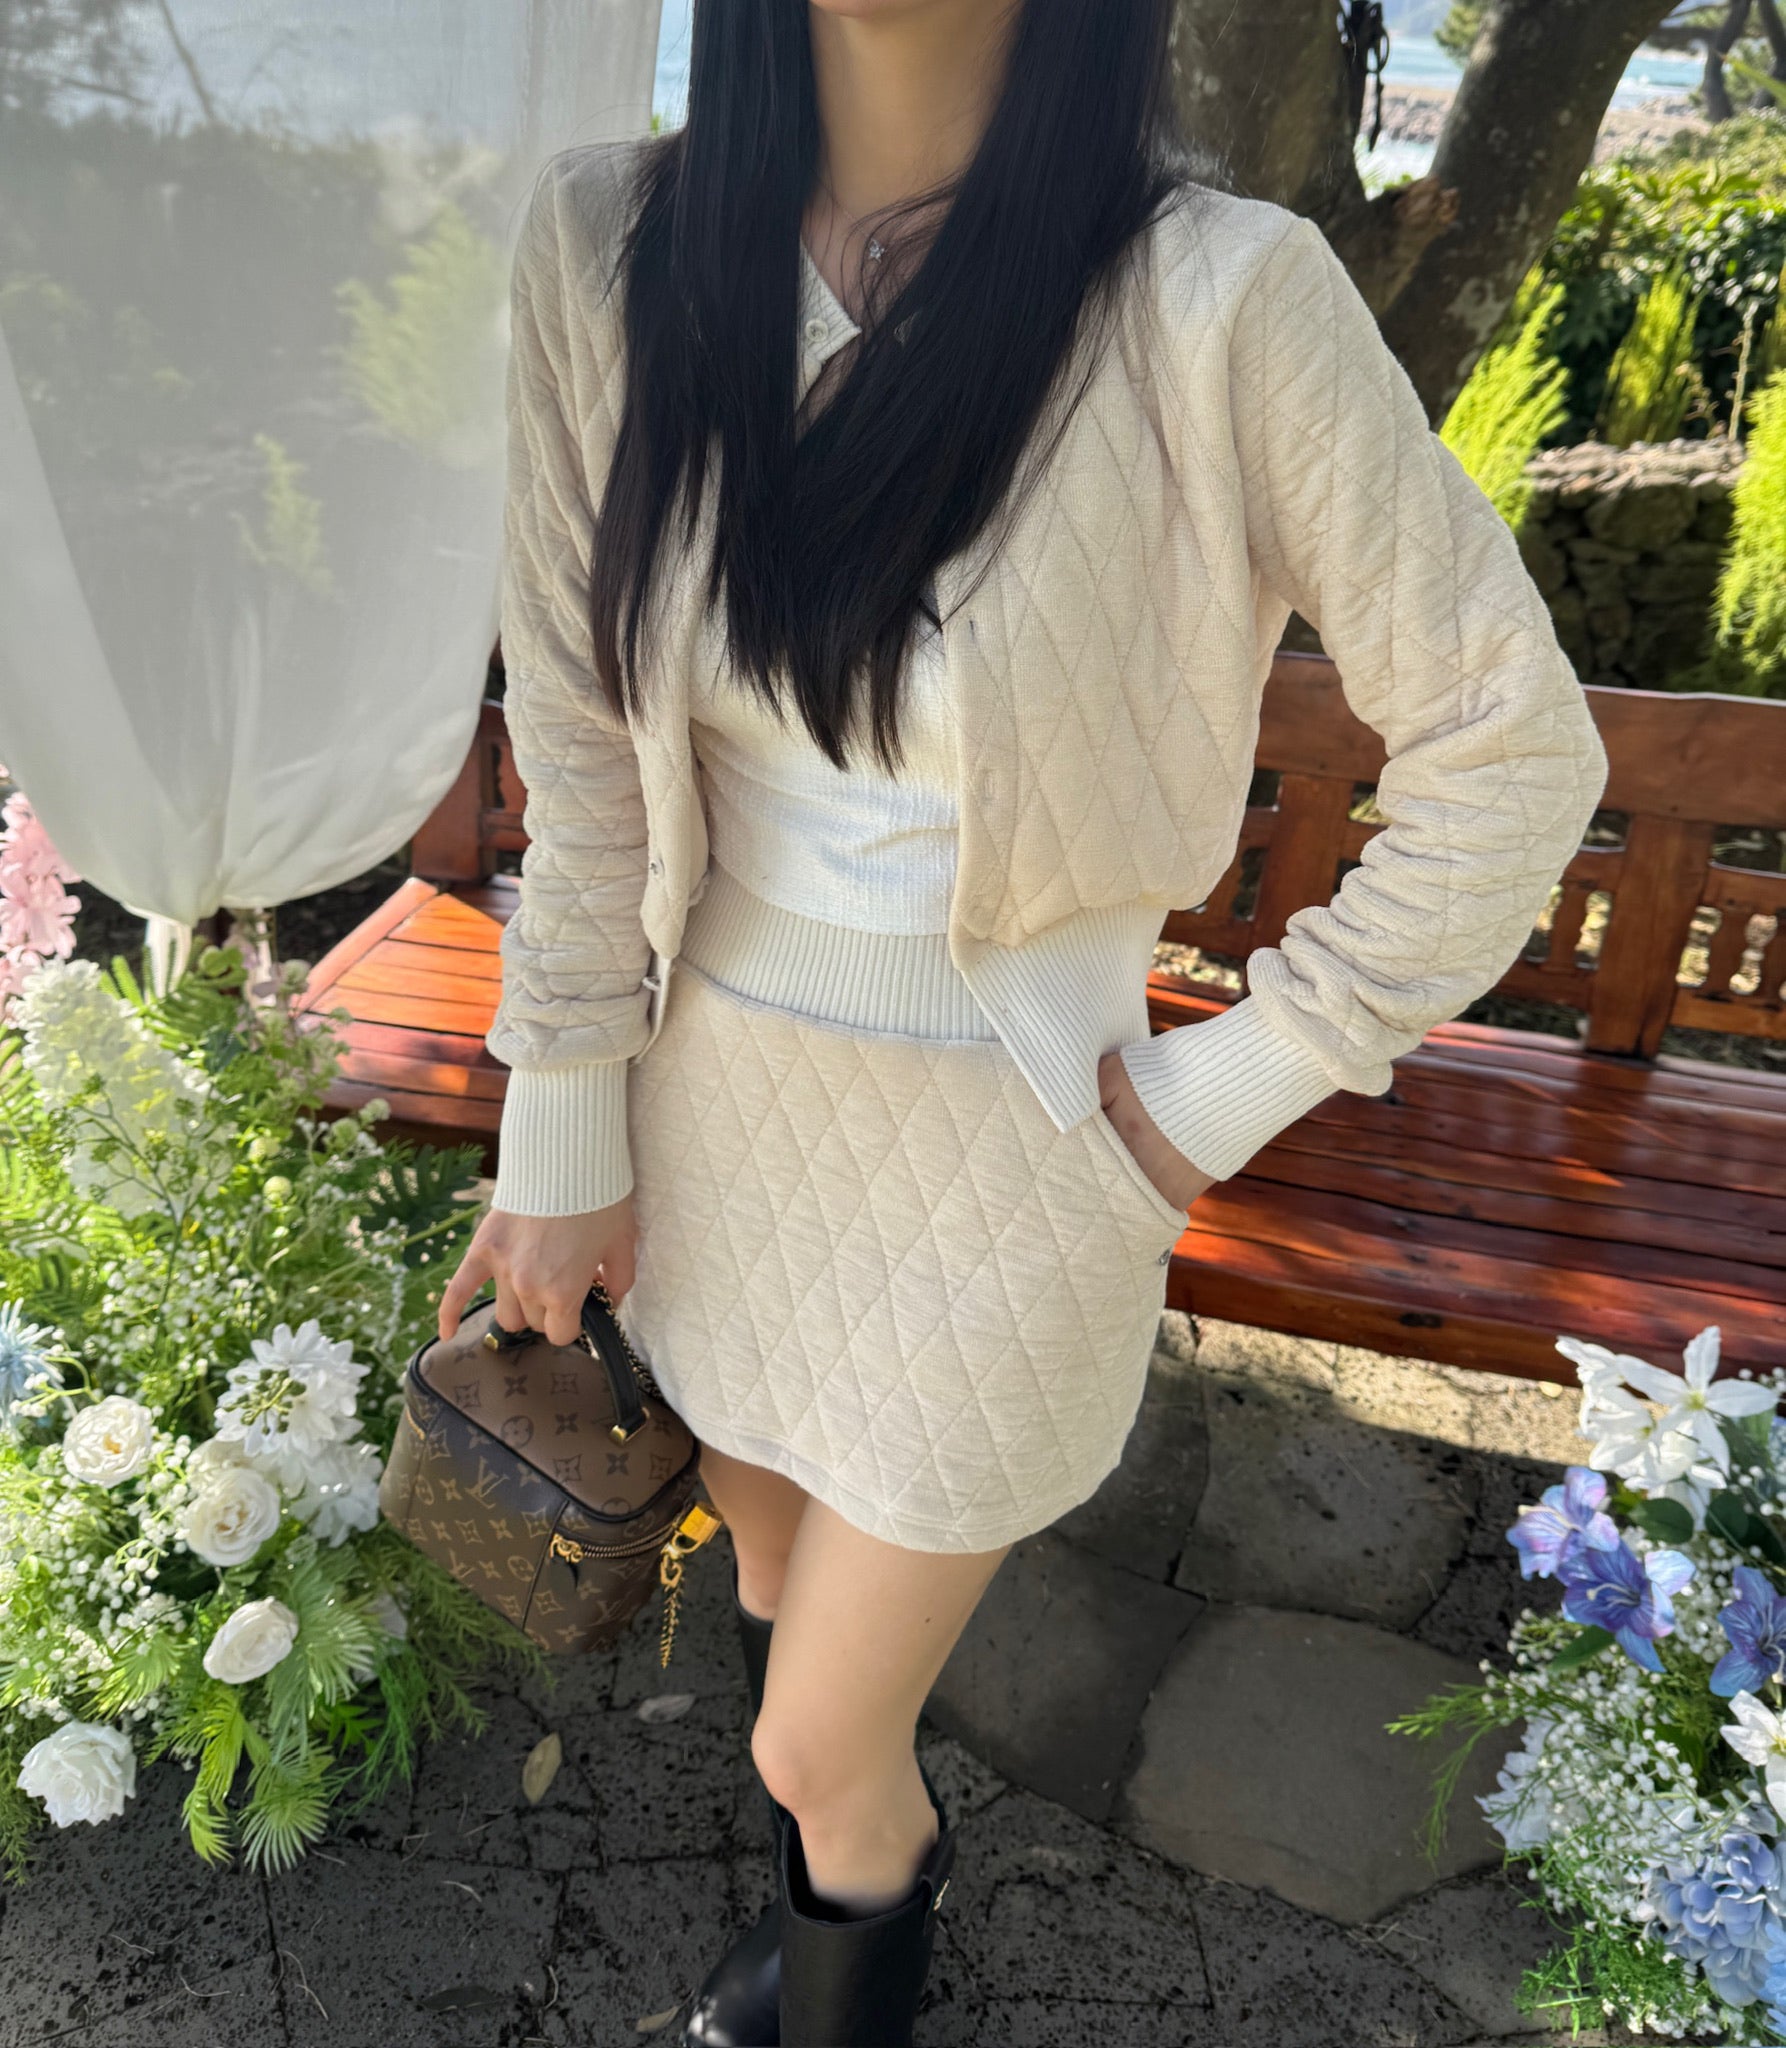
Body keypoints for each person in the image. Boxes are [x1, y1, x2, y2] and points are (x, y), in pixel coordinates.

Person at [437, 1, 1610, 2042]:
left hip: (1014, 1159)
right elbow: (580, 727)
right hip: (713, 1119)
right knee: (771, 1592)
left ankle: (850, 1961)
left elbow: (1511, 752)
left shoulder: (1214, 297)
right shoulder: (610, 245)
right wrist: (565, 1119)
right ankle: (815, 1938)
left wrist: (1218, 1089)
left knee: (816, 1737)